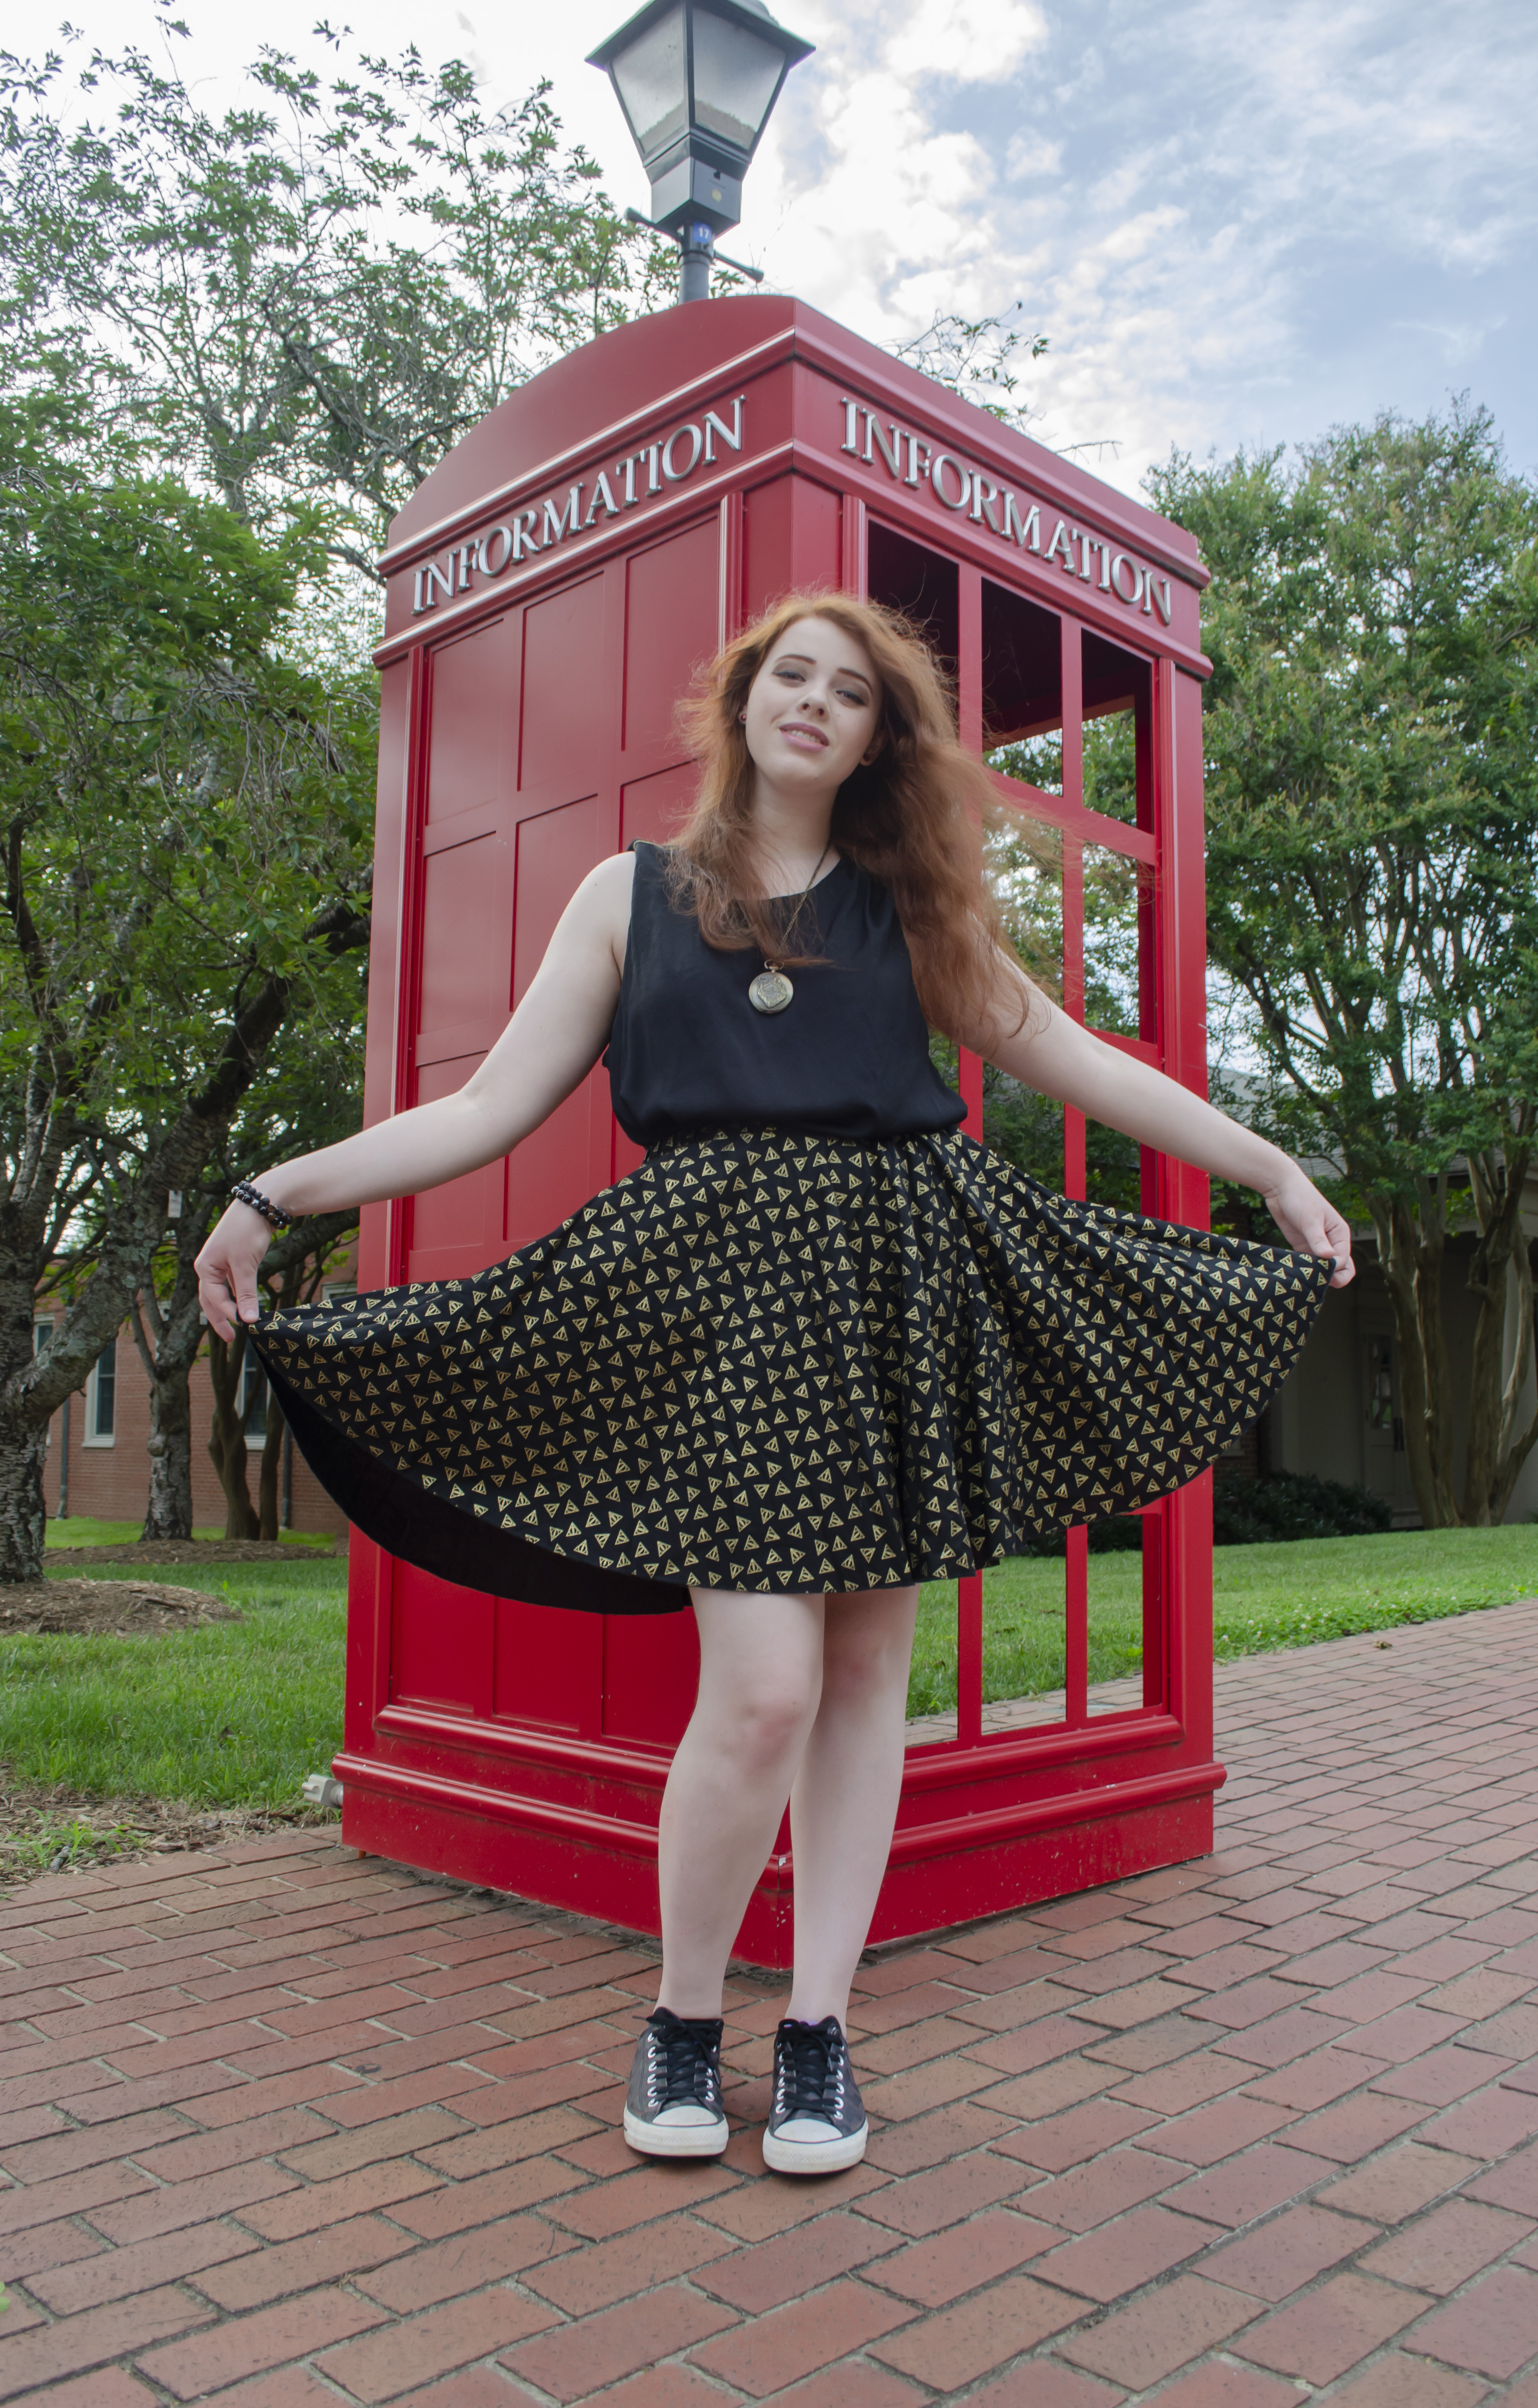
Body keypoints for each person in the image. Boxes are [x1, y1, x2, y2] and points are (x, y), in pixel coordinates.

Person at [198, 592, 1352, 2178]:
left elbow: (1081, 1061)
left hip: (892, 1295)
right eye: (789, 676)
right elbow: (483, 1110)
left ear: (878, 738)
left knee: (867, 1679)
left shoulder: (908, 906)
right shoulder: (630, 896)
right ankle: (683, 2017)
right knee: (761, 1693)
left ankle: (818, 2030)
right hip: (721, 1317)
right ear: (741, 701)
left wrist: (1273, 1168)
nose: (814, 702)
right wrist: (270, 1192)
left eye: (851, 692)